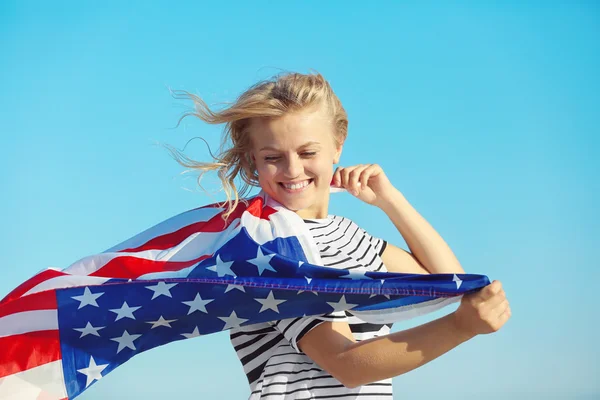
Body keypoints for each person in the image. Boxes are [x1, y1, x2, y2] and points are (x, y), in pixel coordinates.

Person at [169, 72, 511, 399]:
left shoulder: (349, 235)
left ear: (337, 147)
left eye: (308, 152)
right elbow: (347, 364)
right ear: (252, 162)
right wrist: (460, 328)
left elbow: (447, 283)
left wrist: (390, 201)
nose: (292, 170)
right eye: (273, 157)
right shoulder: (266, 246)